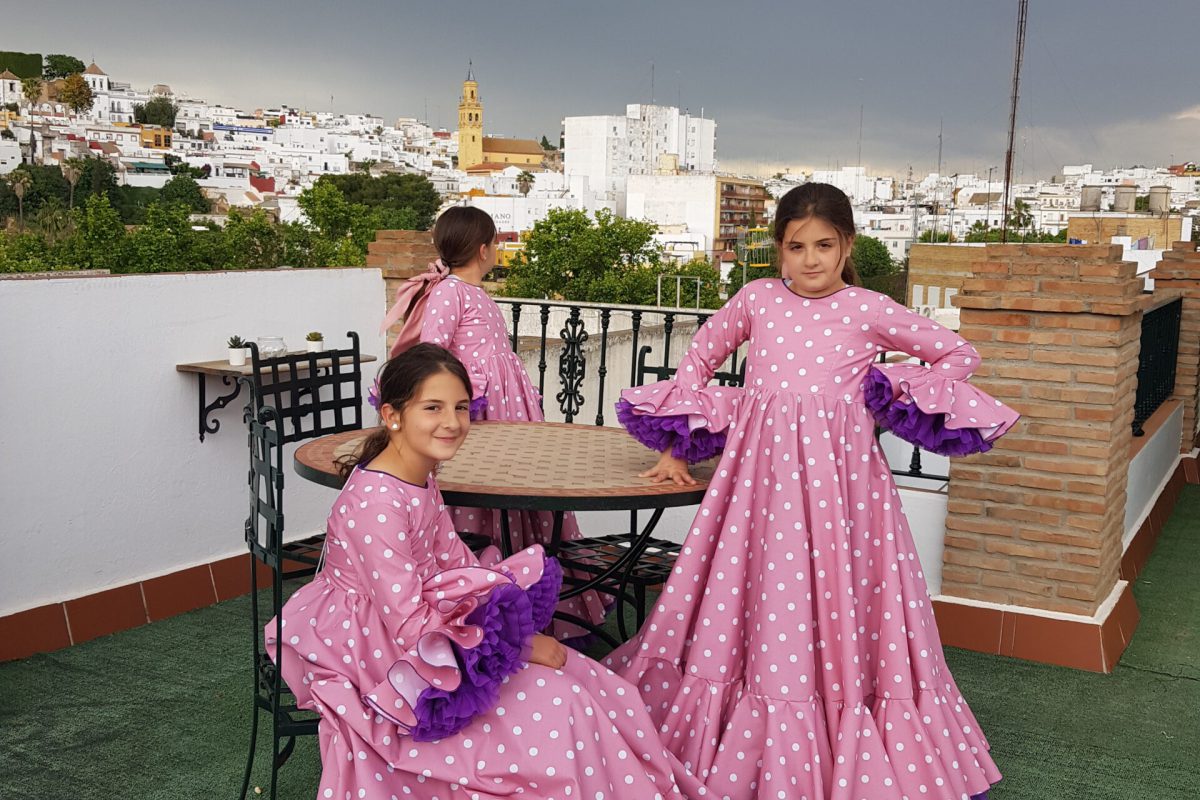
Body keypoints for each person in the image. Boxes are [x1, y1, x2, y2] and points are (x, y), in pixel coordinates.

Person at [606, 184, 1017, 800]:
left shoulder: (869, 307)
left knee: (837, 598)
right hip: (756, 489)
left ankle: (839, 733)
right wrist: (673, 448)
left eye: (824, 245)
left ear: (847, 244)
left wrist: (892, 394)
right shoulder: (756, 299)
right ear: (778, 250)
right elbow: (698, 358)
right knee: (756, 592)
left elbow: (959, 353)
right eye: (796, 246)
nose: (811, 259)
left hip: (845, 495)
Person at [268, 343, 706, 800]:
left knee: (587, 679)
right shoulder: (376, 503)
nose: (453, 422)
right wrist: (517, 645)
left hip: (419, 618)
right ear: (393, 415)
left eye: (460, 407)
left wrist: (499, 619)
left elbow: (455, 560)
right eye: (432, 408)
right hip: (378, 645)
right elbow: (408, 626)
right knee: (560, 702)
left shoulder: (419, 475)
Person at [379, 206, 606, 641]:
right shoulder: (450, 292)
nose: (498, 249)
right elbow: (432, 356)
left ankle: (531, 600)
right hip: (482, 410)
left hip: (504, 406)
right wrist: (464, 396)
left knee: (519, 495)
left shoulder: (468, 291)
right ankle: (489, 598)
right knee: (487, 500)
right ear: (484, 249)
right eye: (496, 242)